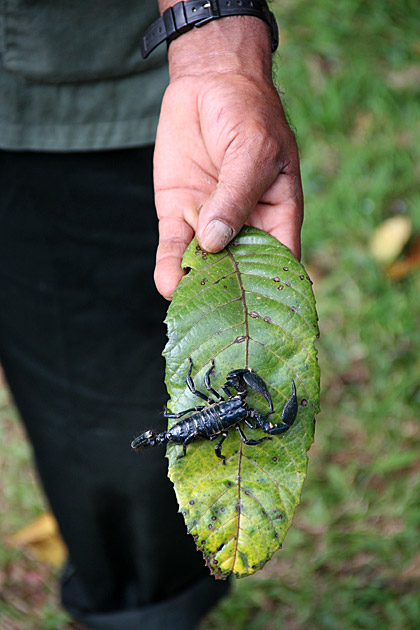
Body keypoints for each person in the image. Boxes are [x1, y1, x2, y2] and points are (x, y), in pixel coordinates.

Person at [0, 1, 303, 628]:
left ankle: (145, 608)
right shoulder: (238, 415)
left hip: (55, 93)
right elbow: (231, 415)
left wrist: (213, 40)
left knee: (107, 416)